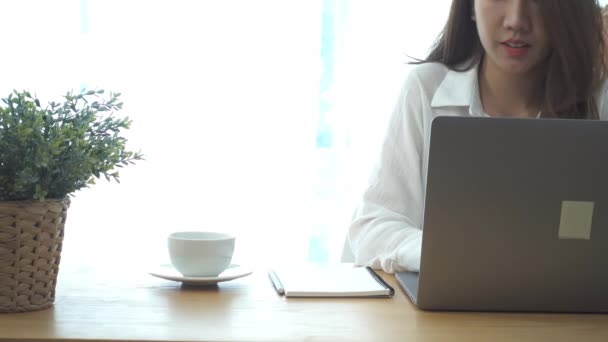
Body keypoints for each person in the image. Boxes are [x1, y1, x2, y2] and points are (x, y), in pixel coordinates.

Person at [348, 0, 608, 273]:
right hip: (444, 308)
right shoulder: (427, 89)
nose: (516, 20)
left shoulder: (598, 100)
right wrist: (449, 254)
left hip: (567, 311)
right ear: (470, 7)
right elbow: (373, 227)